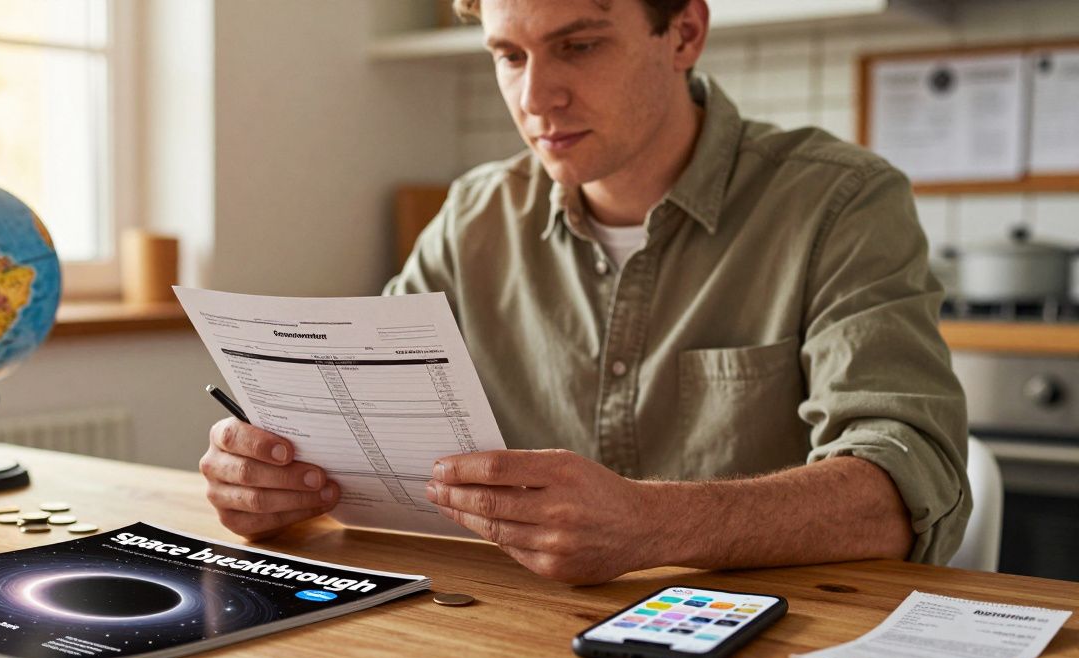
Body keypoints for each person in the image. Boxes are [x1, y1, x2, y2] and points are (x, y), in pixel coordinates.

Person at [198, 0, 969, 585]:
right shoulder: (473, 216)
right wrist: (274, 478)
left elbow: (908, 484)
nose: (536, 97)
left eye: (579, 45)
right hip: (522, 651)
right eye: (508, 55)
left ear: (685, 33)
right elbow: (357, 425)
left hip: (766, 652)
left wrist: (652, 524)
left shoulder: (840, 203)